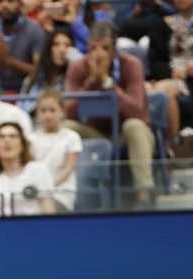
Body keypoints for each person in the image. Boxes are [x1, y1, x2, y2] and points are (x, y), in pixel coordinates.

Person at [64, 20, 156, 207]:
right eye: (93, 48)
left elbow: (136, 110)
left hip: (126, 133)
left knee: (134, 126)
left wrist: (108, 84)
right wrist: (91, 83)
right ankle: (64, 195)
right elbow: (69, 111)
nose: (98, 54)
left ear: (114, 49)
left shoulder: (131, 65)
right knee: (66, 128)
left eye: (104, 48)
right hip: (96, 134)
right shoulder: (78, 67)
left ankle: (145, 194)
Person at [146, 0, 193, 145]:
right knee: (166, 89)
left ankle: (171, 145)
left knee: (163, 91)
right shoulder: (162, 25)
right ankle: (171, 146)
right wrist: (171, 71)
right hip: (169, 78)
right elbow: (154, 62)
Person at [0, 122, 56, 216]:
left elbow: (49, 211)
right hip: (2, 229)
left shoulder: (38, 169)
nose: (7, 140)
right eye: (1, 137)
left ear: (22, 144)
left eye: (13, 136)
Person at [29, 90, 82, 211]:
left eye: (52, 110)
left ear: (63, 112)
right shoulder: (30, 139)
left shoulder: (71, 137)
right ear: (37, 114)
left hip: (61, 193)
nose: (48, 115)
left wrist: (47, 187)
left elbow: (68, 169)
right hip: (35, 192)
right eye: (43, 111)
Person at [19, 29, 75, 114]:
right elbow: (21, 108)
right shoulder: (35, 78)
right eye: (56, 45)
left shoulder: (74, 79)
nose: (62, 49)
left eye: (67, 45)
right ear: (49, 49)